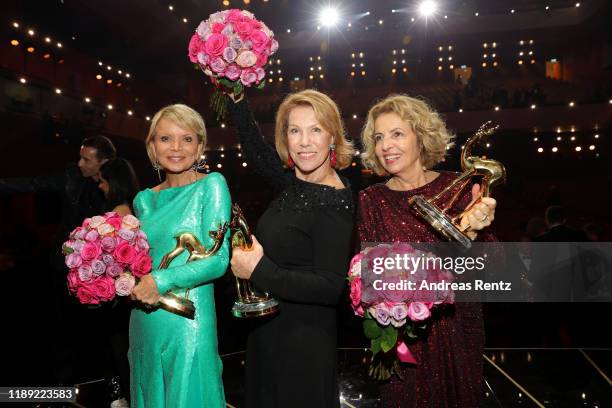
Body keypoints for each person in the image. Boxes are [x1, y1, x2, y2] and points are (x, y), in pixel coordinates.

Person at [358, 94, 497, 407]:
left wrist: (478, 230)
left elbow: (494, 269)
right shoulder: (371, 199)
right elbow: (367, 280)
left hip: (461, 330)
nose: (385, 146)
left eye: (397, 134)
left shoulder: (461, 186)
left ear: (420, 137)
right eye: (379, 137)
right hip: (404, 341)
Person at [229, 89, 354, 408]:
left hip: (303, 348)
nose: (304, 141)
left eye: (316, 129)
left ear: (333, 137)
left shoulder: (334, 198)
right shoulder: (293, 183)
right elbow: (257, 150)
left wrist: (258, 269)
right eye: (294, 130)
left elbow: (329, 288)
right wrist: (236, 97)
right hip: (267, 336)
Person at [128, 104, 230, 408]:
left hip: (188, 321)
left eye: (186, 139)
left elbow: (218, 259)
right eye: (165, 139)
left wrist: (159, 281)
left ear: (200, 146)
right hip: (143, 320)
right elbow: (138, 262)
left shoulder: (211, 185)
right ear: (152, 146)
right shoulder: (143, 200)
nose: (175, 148)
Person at [0, 135, 116, 386]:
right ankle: (63, 389)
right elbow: (33, 184)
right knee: (62, 328)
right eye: (80, 157)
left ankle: (96, 384)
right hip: (62, 266)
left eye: (86, 159)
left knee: (96, 332)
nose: (80, 163)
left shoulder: (116, 185)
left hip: (99, 273)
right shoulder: (70, 176)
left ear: (104, 162)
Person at [97, 158, 141, 407]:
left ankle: (125, 398)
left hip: (120, 298)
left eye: (103, 182)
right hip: (125, 297)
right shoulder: (135, 208)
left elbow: (117, 260)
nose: (100, 187)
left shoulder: (120, 214)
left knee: (120, 352)